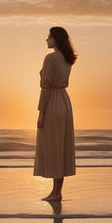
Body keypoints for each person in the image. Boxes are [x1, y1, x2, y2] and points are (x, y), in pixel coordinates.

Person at [34, 27, 77, 201]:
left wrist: (41, 112)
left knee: (53, 147)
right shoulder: (67, 59)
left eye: (49, 37)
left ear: (56, 40)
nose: (47, 40)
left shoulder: (50, 58)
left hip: (52, 101)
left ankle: (55, 193)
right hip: (65, 102)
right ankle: (57, 192)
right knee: (61, 147)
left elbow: (46, 86)